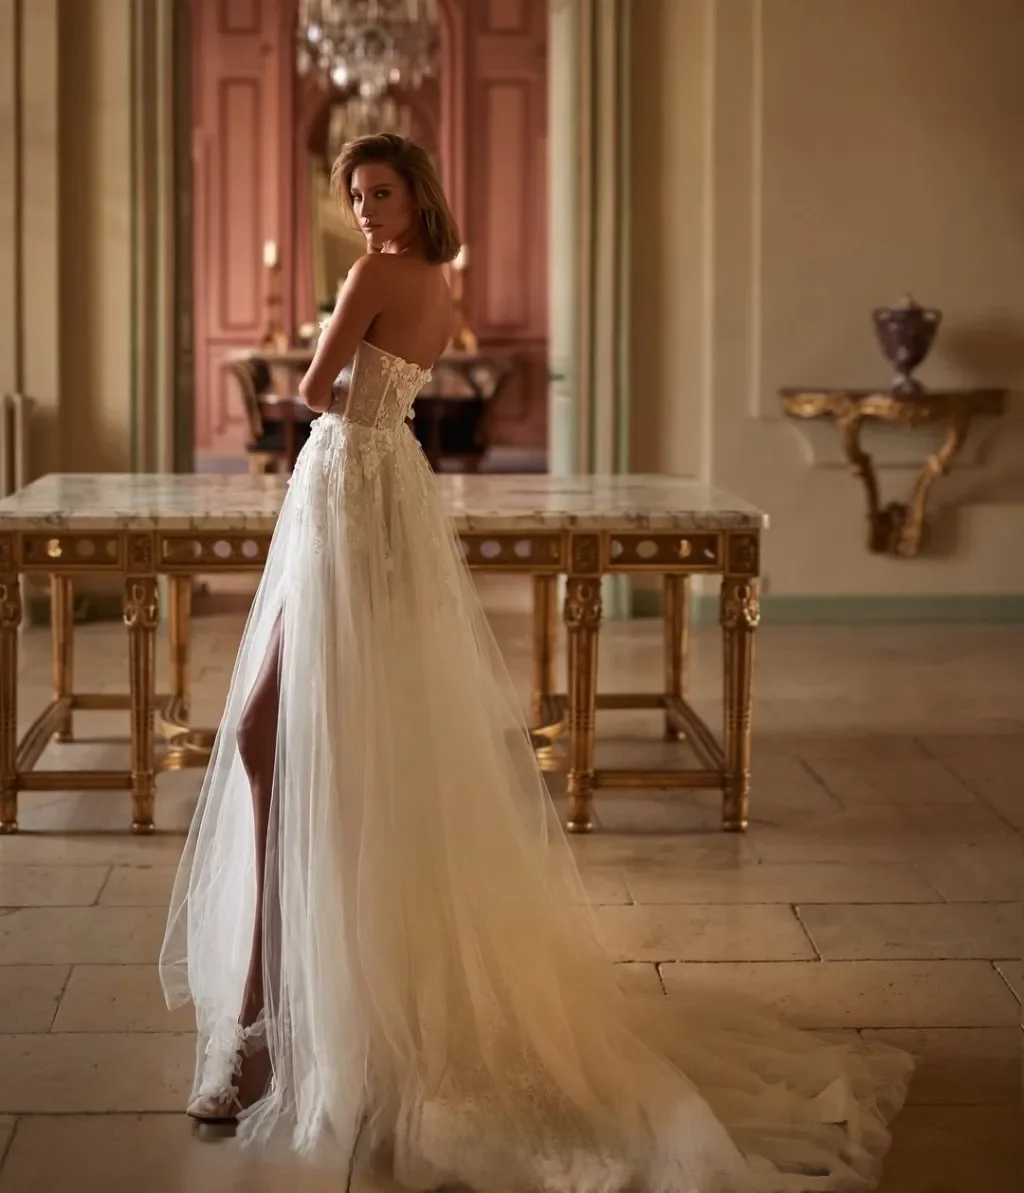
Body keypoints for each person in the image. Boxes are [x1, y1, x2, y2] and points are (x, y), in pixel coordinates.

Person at [161, 133, 912, 1192]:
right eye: (356, 194)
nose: (367, 209)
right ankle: (302, 995)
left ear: (416, 194)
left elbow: (320, 386)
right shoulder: (437, 279)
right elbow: (382, 387)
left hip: (349, 487)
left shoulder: (375, 272)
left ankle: (267, 1022)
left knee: (282, 731)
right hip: (385, 486)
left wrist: (337, 372)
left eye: (381, 191)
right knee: (323, 729)